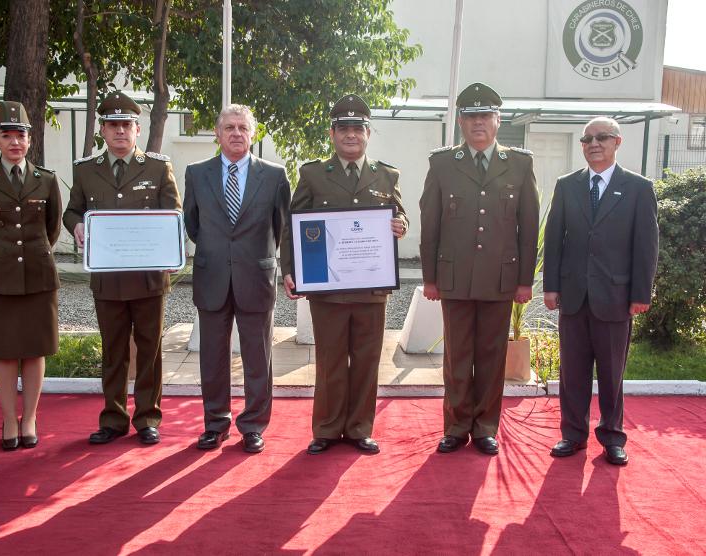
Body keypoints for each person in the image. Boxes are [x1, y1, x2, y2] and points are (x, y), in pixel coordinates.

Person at [281, 94, 408, 455]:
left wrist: (401, 224)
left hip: (371, 289)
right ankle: (326, 427)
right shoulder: (314, 174)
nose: (351, 135)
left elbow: (400, 215)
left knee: (367, 360)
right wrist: (291, 270)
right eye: (343, 129)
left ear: (369, 133)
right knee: (330, 360)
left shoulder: (386, 174)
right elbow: (293, 226)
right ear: (332, 133)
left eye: (358, 128)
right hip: (329, 291)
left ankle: (358, 428)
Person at [420, 82, 539, 456]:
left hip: (500, 279)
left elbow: (529, 226)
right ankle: (456, 426)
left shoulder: (520, 165)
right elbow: (431, 224)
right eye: (471, 117)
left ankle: (486, 426)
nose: (478, 124)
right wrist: (429, 277)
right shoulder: (441, 163)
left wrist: (525, 281)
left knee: (491, 356)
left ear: (498, 121)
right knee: (457, 356)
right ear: (460, 121)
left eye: (485, 116)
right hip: (453, 278)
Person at [63, 91, 181, 445]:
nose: (119, 132)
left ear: (137, 129)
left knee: (149, 349)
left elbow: (173, 215)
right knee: (113, 349)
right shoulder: (86, 171)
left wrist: (171, 251)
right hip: (109, 279)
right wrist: (77, 225)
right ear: (102, 129)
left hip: (148, 279)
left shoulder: (158, 168)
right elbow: (72, 210)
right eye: (112, 125)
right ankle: (113, 418)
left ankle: (147, 418)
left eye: (126, 125)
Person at [544, 117, 658, 466]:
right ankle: (572, 434)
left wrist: (641, 293)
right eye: (587, 139)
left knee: (612, 373)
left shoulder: (638, 187)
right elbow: (554, 239)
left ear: (617, 142)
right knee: (572, 372)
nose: (594, 144)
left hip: (616, 297)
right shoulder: (567, 185)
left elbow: (646, 245)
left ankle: (612, 437)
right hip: (574, 296)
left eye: (602, 137)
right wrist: (551, 286)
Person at [183, 104, 291, 454]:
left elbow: (282, 230)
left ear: (253, 133)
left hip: (256, 279)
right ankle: (215, 425)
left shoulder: (274, 176)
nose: (236, 133)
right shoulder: (196, 174)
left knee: (258, 357)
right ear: (217, 133)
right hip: (212, 277)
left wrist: (286, 269)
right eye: (229, 127)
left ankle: (253, 426)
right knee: (212, 358)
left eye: (243, 127)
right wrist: (220, 252)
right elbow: (193, 224)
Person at [0, 100, 62, 450]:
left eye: (20, 135)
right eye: (7, 135)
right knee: (3, 351)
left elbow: (52, 229)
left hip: (38, 274)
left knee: (35, 351)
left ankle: (30, 417)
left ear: (30, 139)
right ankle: (8, 419)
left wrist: (31, 253)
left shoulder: (46, 180)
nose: (15, 142)